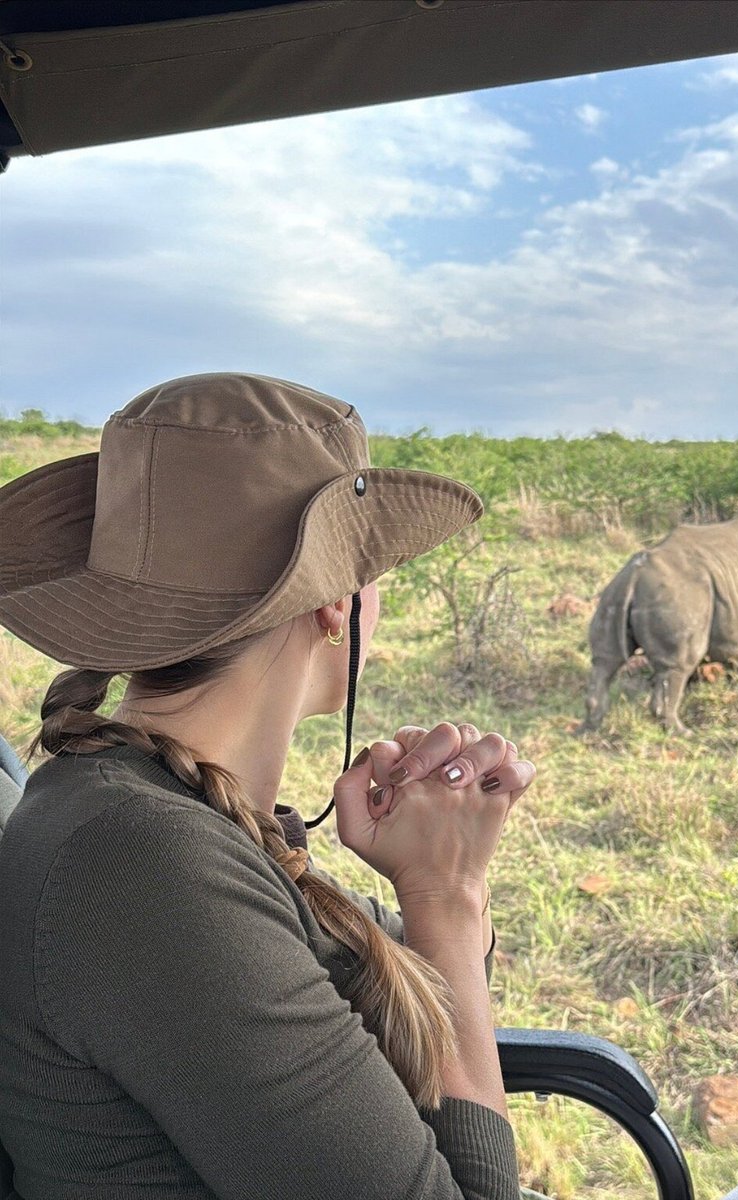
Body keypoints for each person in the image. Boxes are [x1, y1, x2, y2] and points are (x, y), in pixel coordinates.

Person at [0, 373, 536, 1199]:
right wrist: (446, 893)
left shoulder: (148, 808)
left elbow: (359, 975)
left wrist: (438, 889)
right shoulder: (145, 865)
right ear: (334, 604)